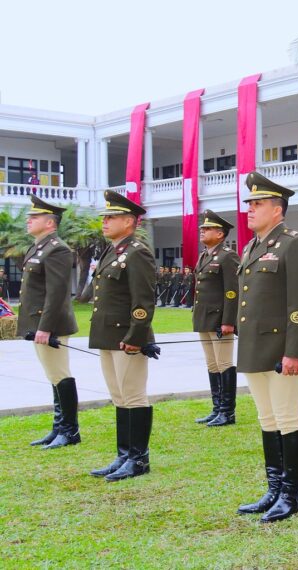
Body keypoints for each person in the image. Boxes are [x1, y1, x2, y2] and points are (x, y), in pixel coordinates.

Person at [234, 172, 298, 523]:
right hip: (255, 347)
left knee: (287, 418)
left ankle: (291, 494)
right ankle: (274, 488)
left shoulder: (293, 244)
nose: (250, 209)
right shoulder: (252, 247)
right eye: (249, 204)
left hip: (282, 349)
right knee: (267, 419)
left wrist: (295, 351)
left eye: (258, 204)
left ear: (278, 209)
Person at [88, 190, 156, 482]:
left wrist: (136, 336)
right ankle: (124, 455)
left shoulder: (137, 252)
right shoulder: (112, 250)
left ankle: (138, 459)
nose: (105, 221)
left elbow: (143, 301)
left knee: (133, 395)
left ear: (129, 221)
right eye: (104, 217)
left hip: (127, 337)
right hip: (107, 336)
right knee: (118, 396)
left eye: (111, 217)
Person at [19, 196, 82, 449]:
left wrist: (45, 327)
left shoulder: (57, 249)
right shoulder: (38, 247)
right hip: (38, 323)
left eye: (34, 217)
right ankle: (58, 428)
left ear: (50, 223)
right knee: (52, 375)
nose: (29, 220)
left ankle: (70, 430)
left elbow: (57, 293)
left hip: (50, 324)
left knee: (60, 374)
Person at [191, 210, 240, 427]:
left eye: (207, 228)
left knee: (224, 363)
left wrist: (228, 321)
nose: (202, 231)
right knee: (212, 364)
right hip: (204, 318)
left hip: (220, 320)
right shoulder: (205, 255)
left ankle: (227, 412)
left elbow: (232, 291)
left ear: (220, 234)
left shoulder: (227, 256)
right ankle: (217, 408)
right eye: (202, 228)